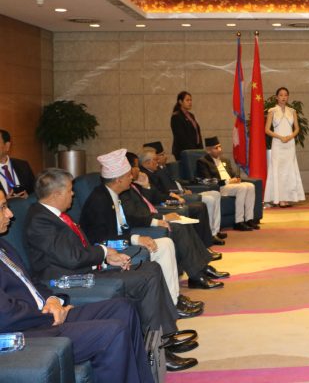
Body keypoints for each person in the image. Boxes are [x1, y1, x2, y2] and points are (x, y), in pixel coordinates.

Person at [22, 168, 198, 371]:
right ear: (56, 194)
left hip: (83, 269)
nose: (73, 194)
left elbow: (76, 251)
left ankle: (164, 337)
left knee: (152, 268)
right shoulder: (40, 220)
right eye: (70, 190)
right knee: (145, 279)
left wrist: (107, 258)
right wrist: (104, 252)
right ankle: (158, 350)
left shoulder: (55, 215)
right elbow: (72, 258)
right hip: (67, 280)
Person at [0, 188, 155, 383]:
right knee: (113, 332)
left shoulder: (4, 246)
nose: (10, 214)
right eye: (3, 207)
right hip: (23, 333)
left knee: (123, 307)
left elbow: (33, 282)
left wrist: (54, 300)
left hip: (44, 314)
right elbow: (6, 316)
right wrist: (50, 315)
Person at [79, 149, 204, 316]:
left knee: (166, 243)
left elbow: (125, 222)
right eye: (128, 175)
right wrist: (135, 239)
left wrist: (136, 237)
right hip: (107, 251)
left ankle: (173, 299)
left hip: (121, 240)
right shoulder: (99, 200)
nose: (132, 178)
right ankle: (173, 304)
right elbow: (101, 240)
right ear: (118, 179)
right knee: (163, 246)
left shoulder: (112, 194)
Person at [119, 151, 228, 290]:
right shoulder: (123, 190)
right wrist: (162, 218)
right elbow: (135, 215)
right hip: (142, 226)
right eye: (135, 166)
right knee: (178, 227)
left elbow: (148, 201)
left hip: (152, 216)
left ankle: (202, 267)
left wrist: (146, 186)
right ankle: (196, 276)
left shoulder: (133, 184)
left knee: (183, 222)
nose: (138, 169)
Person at [143, 141, 226, 244]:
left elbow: (174, 182)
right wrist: (180, 192)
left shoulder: (162, 168)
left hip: (180, 192)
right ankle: (211, 234)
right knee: (210, 199)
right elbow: (166, 190)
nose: (165, 157)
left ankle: (215, 231)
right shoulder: (154, 173)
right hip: (177, 195)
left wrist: (185, 187)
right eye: (160, 156)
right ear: (148, 162)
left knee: (215, 194)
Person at [197, 136, 260, 231]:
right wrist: (227, 181)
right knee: (242, 188)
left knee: (250, 186)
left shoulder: (225, 160)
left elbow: (232, 174)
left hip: (231, 185)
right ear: (208, 150)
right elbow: (207, 180)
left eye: (220, 146)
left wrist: (236, 178)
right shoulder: (203, 162)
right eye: (216, 148)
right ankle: (238, 221)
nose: (219, 149)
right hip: (220, 187)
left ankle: (249, 219)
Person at [264, 87, 305, 208]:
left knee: (289, 170)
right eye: (281, 95)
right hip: (278, 144)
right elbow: (267, 130)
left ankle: (288, 197)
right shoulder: (272, 111)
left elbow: (297, 128)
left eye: (285, 95)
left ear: (288, 97)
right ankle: (280, 198)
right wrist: (280, 137)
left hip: (289, 144)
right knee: (278, 170)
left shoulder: (292, 111)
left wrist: (290, 136)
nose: (283, 97)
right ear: (277, 97)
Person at [0, 129, 36, 198]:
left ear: (7, 146)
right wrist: (5, 201)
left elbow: (35, 191)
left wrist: (28, 196)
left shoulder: (23, 165)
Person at [171, 91, 203, 161]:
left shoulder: (191, 115)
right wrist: (192, 150)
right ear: (180, 102)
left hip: (195, 150)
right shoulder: (176, 116)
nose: (190, 102)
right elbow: (181, 136)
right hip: (184, 151)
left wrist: (200, 149)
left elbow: (197, 133)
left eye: (191, 100)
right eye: (187, 100)